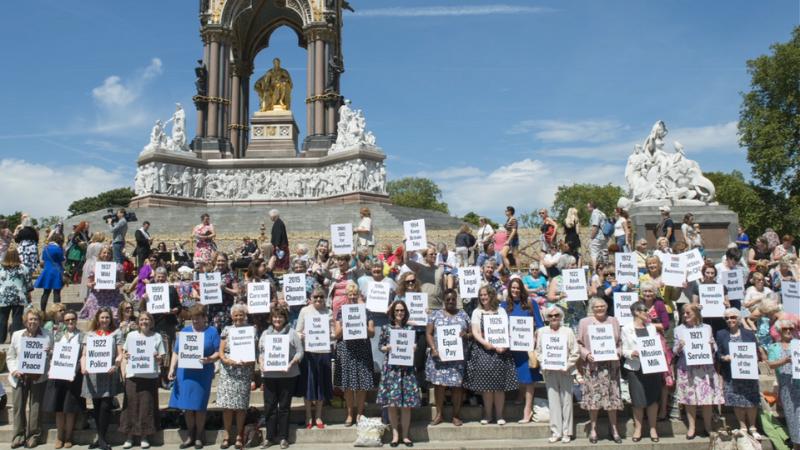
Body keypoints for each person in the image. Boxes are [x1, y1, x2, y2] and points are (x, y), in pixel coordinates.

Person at [168, 304, 221, 449]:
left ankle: (199, 435)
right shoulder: (184, 331)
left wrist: (209, 359)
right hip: (185, 373)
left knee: (199, 406)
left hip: (203, 373)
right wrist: (172, 368)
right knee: (187, 407)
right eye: (193, 319)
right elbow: (176, 352)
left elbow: (218, 352)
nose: (195, 321)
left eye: (198, 318)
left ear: (205, 318)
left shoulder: (212, 332)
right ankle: (190, 435)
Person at [464, 286, 517, 425]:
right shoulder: (476, 312)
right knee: (487, 387)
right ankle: (488, 415)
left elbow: (506, 329)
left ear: (491, 295)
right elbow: (475, 331)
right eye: (481, 295)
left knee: (499, 387)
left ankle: (499, 415)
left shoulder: (501, 311)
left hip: (500, 352)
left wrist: (503, 346)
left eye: (485, 295)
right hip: (483, 351)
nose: (483, 297)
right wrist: (485, 343)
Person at [673, 304, 723, 439]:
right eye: (683, 313)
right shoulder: (679, 329)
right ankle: (692, 427)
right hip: (687, 368)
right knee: (690, 399)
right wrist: (679, 346)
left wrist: (712, 345)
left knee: (707, 399)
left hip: (705, 368)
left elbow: (715, 348)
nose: (685, 315)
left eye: (688, 313)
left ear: (696, 313)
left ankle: (708, 426)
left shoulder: (707, 328)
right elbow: (674, 351)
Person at [577, 298, 623, 443]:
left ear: (607, 306)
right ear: (592, 308)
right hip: (593, 368)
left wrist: (618, 352)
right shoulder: (584, 322)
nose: (600, 308)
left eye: (602, 306)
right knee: (593, 400)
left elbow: (620, 342)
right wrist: (586, 354)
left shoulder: (614, 321)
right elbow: (579, 344)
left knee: (612, 399)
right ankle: (593, 429)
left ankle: (614, 428)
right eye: (597, 306)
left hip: (611, 367)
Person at [259, 305, 303, 449]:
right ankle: (269, 437)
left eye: (280, 317)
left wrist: (291, 363)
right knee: (270, 406)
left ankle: (284, 437)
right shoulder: (265, 334)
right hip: (269, 375)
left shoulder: (292, 333)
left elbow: (300, 352)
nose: (277, 319)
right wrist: (261, 363)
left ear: (285, 318)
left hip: (287, 374)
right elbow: (260, 352)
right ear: (271, 319)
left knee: (284, 407)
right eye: (275, 317)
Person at [119, 312, 166, 449]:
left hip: (150, 376)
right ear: (138, 322)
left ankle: (145, 436)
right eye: (141, 319)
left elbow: (162, 357)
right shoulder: (131, 336)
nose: (144, 322)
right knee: (130, 406)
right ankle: (129, 436)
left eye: (147, 319)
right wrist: (126, 355)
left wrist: (158, 358)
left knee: (147, 407)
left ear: (151, 322)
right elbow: (124, 353)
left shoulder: (157, 337)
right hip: (133, 376)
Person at [377, 300, 420, 447]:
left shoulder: (410, 329)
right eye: (397, 311)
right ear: (392, 313)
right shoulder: (385, 328)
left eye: (402, 310)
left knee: (406, 405)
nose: (399, 313)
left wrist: (414, 347)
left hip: (407, 370)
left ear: (405, 312)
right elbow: (379, 346)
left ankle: (406, 435)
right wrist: (386, 348)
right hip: (392, 370)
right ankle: (395, 435)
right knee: (392, 404)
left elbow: (414, 345)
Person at [501, 278, 544, 423]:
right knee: (519, 376)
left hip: (527, 349)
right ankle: (520, 395)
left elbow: (540, 325)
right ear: (509, 289)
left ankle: (528, 410)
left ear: (522, 289)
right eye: (512, 288)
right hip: (511, 348)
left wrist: (535, 338)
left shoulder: (531, 304)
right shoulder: (503, 306)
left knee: (529, 379)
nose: (515, 291)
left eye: (518, 288)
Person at [715, 308, 762, 440]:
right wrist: (724, 358)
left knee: (751, 399)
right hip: (731, 372)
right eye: (727, 318)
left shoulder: (749, 334)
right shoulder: (721, 334)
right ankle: (743, 426)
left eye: (733, 317)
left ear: (739, 318)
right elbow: (718, 353)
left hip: (748, 371)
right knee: (737, 399)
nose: (730, 320)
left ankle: (753, 427)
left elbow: (756, 351)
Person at [425, 289, 470, 426]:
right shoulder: (435, 315)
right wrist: (433, 348)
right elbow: (429, 333)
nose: (450, 301)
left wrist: (466, 335)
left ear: (456, 300)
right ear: (444, 300)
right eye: (448, 299)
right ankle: (439, 414)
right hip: (440, 357)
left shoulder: (463, 314)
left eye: (453, 299)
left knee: (457, 387)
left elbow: (471, 332)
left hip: (457, 358)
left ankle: (456, 415)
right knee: (439, 386)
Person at [333, 281, 375, 426]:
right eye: (349, 295)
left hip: (362, 348)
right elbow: (337, 334)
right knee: (348, 384)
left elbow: (372, 333)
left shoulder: (366, 311)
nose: (352, 297)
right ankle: (350, 414)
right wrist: (347, 323)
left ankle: (360, 413)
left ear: (358, 295)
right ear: (346, 296)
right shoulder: (341, 311)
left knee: (362, 384)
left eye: (354, 295)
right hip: (346, 350)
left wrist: (361, 323)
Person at [536, 305, 579, 443]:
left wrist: (567, 365)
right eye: (550, 316)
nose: (553, 318)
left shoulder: (568, 331)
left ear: (561, 317)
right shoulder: (542, 332)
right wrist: (546, 362)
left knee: (567, 401)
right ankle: (556, 432)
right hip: (549, 371)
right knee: (553, 402)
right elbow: (538, 352)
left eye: (556, 316)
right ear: (547, 318)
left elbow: (575, 352)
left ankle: (567, 432)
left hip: (565, 371)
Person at [81, 307, 123, 450]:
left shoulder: (116, 333)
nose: (104, 320)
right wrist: (83, 367)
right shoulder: (90, 335)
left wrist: (116, 365)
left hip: (109, 374)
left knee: (105, 407)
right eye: (102, 317)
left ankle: (102, 439)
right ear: (97, 319)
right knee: (96, 407)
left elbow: (120, 353)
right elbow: (85, 354)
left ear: (111, 319)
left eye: (107, 317)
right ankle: (100, 439)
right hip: (93, 375)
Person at [8, 308, 50, 449]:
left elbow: (54, 355)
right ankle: (18, 436)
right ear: (26, 321)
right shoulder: (17, 335)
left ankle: (34, 436)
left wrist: (49, 352)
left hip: (39, 377)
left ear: (40, 321)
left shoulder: (47, 335)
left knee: (36, 407)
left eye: (36, 319)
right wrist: (14, 370)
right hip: (20, 377)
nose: (33, 322)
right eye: (30, 319)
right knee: (19, 407)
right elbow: (11, 356)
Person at [622, 301, 662, 443]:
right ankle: (638, 429)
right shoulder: (626, 329)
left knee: (652, 399)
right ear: (636, 312)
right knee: (638, 400)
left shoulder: (651, 327)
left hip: (652, 367)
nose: (648, 312)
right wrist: (631, 353)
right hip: (636, 367)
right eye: (645, 310)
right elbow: (623, 349)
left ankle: (653, 428)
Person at [217, 305, 256, 449]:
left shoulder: (251, 330)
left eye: (241, 315)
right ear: (232, 316)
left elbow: (254, 353)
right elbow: (221, 352)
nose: (238, 318)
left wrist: (249, 360)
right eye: (236, 315)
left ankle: (239, 435)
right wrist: (226, 360)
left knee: (240, 407)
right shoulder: (226, 330)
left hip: (244, 372)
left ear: (245, 316)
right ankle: (227, 436)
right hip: (228, 372)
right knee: (227, 406)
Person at [42, 310, 83, 449]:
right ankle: (60, 436)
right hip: (58, 375)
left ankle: (68, 436)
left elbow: (83, 356)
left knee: (70, 408)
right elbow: (54, 352)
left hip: (73, 377)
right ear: (64, 322)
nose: (70, 322)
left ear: (76, 320)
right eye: (67, 320)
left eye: (72, 319)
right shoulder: (58, 335)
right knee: (59, 408)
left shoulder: (82, 336)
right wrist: (50, 352)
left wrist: (75, 371)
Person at [296, 286, 334, 429]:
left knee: (321, 385)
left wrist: (328, 335)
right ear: (311, 298)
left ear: (325, 299)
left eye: (321, 297)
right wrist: (303, 335)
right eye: (315, 297)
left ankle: (318, 416)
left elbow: (333, 334)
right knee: (309, 385)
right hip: (308, 353)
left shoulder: (329, 312)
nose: (318, 299)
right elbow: (297, 332)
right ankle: (308, 416)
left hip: (323, 353)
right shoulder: (304, 311)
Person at [766, 320, 800, 450]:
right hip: (786, 388)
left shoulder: (798, 345)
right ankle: (797, 445)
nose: (788, 331)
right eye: (785, 328)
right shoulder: (774, 347)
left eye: (791, 329)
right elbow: (771, 364)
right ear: (780, 331)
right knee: (792, 417)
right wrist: (785, 360)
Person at [79, 245, 126, 320]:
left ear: (111, 255)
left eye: (108, 253)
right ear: (100, 254)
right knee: (96, 316)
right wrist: (92, 284)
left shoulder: (117, 266)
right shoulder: (94, 267)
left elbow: (123, 282)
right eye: (104, 253)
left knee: (114, 316)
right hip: (98, 296)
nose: (106, 255)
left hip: (113, 295)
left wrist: (118, 284)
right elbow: (88, 283)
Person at [0, 246, 32, 343]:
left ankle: (1, 340)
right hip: (19, 296)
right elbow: (28, 284)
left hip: (3, 296)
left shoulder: (1, 268)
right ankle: (15, 341)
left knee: (2, 318)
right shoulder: (23, 268)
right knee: (17, 319)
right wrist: (28, 294)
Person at [35, 233, 64, 311]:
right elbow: (62, 260)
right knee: (57, 293)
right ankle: (57, 312)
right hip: (56, 272)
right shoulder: (58, 249)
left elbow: (44, 259)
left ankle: (43, 311)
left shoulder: (46, 248)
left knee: (46, 293)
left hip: (47, 271)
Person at [80, 232, 106, 300]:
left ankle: (86, 298)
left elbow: (87, 256)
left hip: (88, 264)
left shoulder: (90, 245)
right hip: (97, 264)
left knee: (87, 282)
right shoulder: (102, 245)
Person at [587, 201, 609, 269]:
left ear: (591, 207)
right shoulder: (602, 213)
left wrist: (591, 237)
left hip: (598, 237)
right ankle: (605, 270)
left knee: (594, 254)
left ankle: (594, 271)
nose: (587, 209)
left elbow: (595, 226)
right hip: (604, 237)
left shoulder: (595, 213)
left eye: (588, 207)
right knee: (604, 254)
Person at [500, 206, 519, 271]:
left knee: (515, 255)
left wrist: (508, 240)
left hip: (513, 240)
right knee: (502, 254)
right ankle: (509, 271)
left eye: (506, 211)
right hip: (508, 240)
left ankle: (519, 271)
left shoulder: (513, 219)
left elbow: (514, 231)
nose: (505, 212)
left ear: (510, 212)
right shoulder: (508, 219)